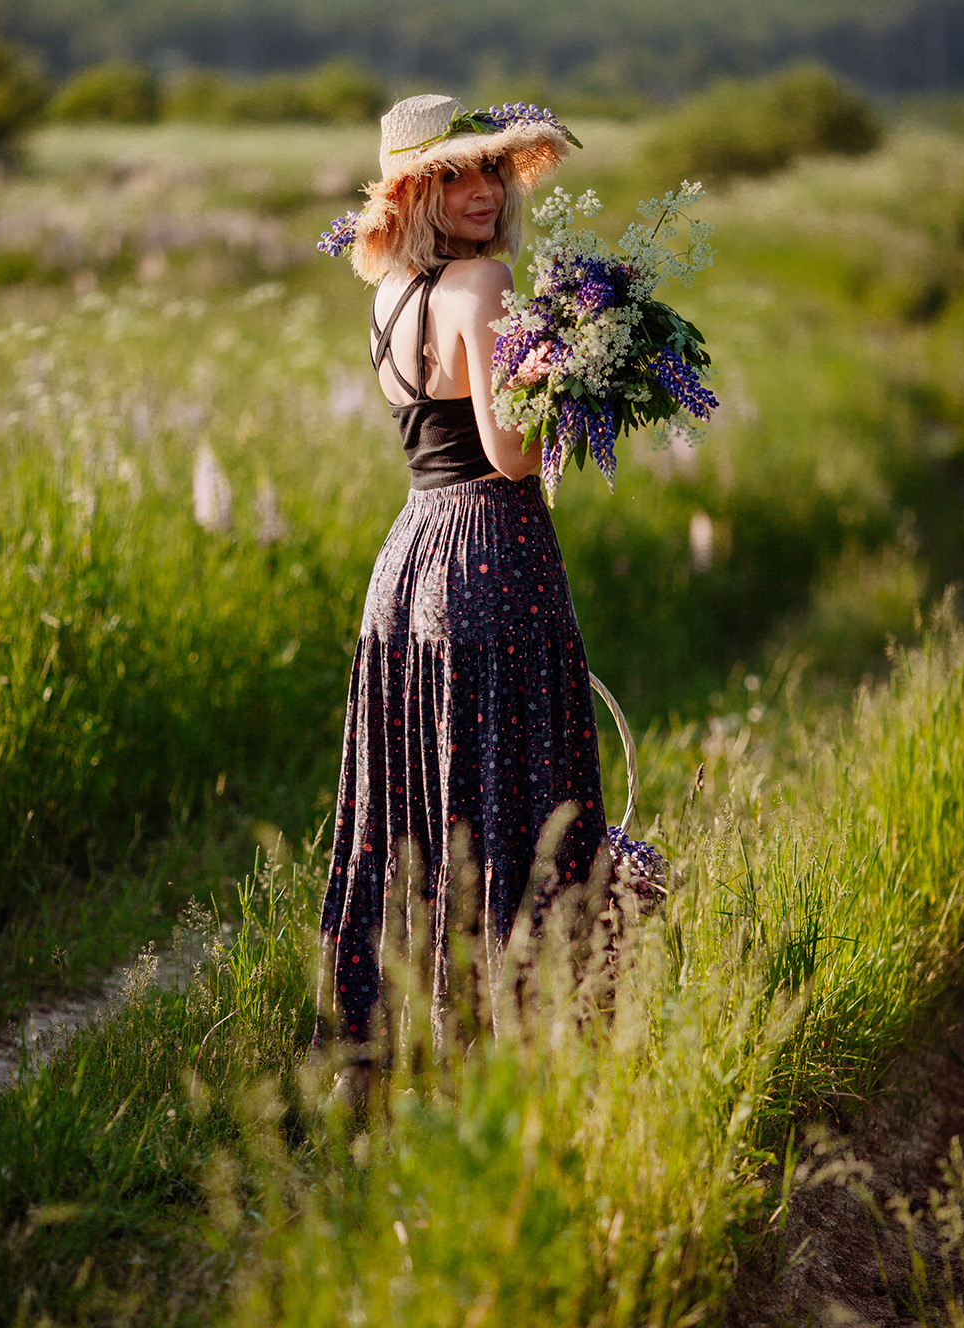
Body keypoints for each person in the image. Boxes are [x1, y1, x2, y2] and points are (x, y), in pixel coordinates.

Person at [313, 95, 610, 1073]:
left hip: (409, 558)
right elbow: (511, 456)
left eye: (490, 171)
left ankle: (401, 1040)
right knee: (510, 799)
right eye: (453, 175)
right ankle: (512, 1041)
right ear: (414, 191)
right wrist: (576, 375)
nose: (481, 191)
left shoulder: (392, 289)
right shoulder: (481, 284)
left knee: (429, 807)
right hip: (490, 547)